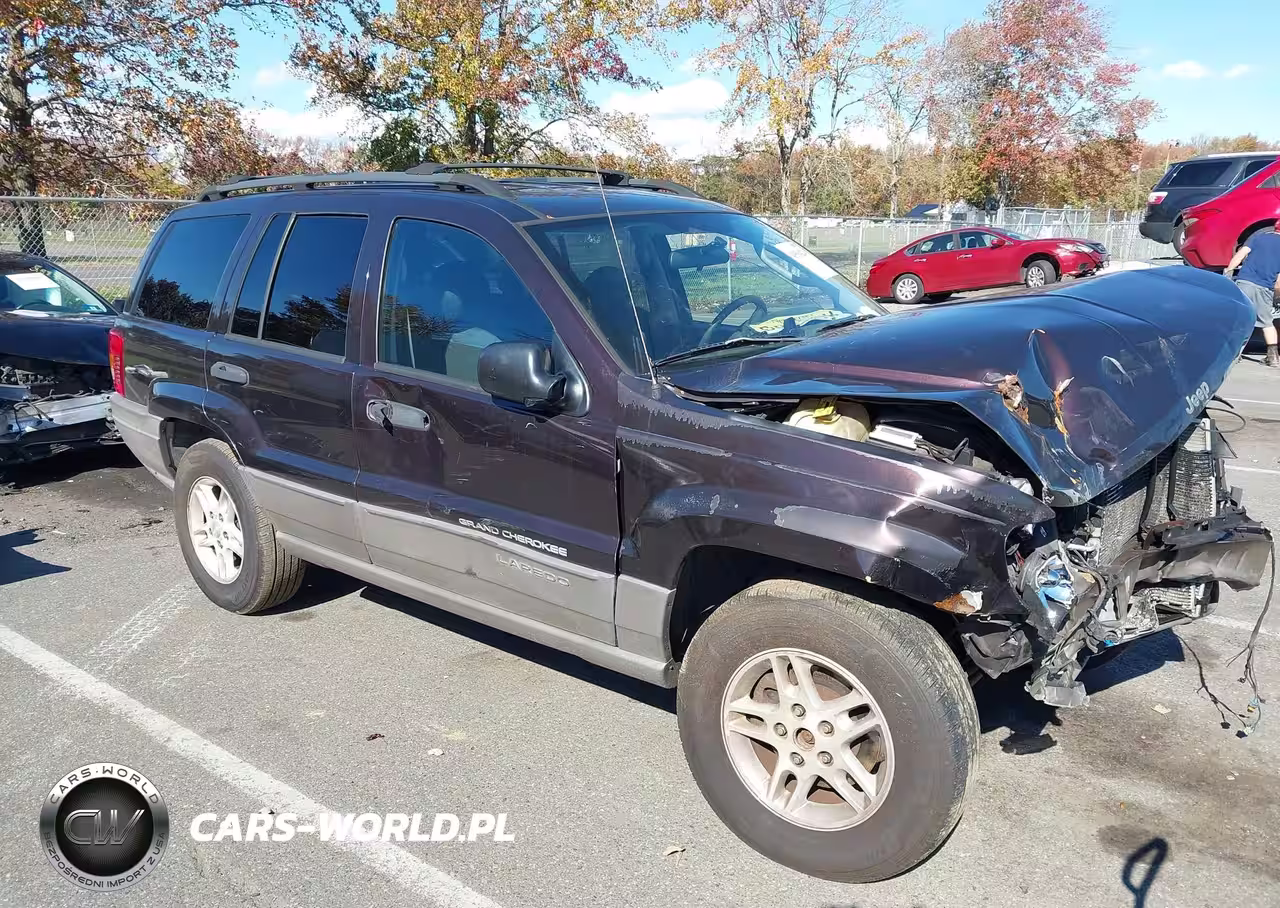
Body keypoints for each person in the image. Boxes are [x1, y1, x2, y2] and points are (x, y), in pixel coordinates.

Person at [1226, 221, 1280, 367]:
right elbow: (1279, 280)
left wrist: (1229, 272)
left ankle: (1233, 355)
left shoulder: (1259, 237)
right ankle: (1273, 357)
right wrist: (1276, 295)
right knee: (1266, 323)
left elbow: (1240, 255)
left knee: (1239, 320)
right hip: (1265, 287)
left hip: (1244, 283)